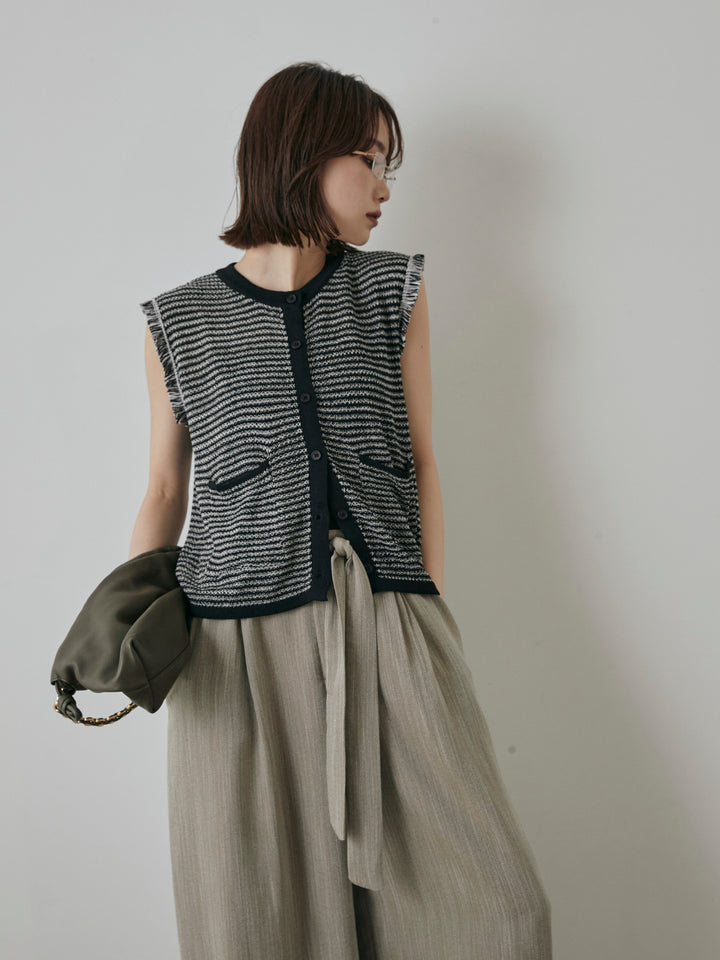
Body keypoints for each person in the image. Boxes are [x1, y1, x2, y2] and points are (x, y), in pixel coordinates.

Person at [132, 61, 553, 960]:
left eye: (387, 163)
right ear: (300, 154)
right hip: (233, 649)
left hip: (388, 614)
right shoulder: (181, 320)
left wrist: (427, 610)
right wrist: (134, 629)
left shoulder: (390, 289)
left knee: (499, 906)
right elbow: (166, 490)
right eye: (368, 159)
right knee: (261, 914)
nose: (385, 187)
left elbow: (424, 460)